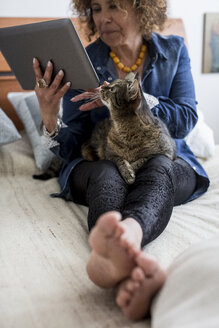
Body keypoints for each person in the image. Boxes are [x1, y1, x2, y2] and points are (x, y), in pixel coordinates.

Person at [33, 0, 210, 321]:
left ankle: (125, 238)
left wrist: (137, 98)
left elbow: (185, 119)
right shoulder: (85, 60)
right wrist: (49, 118)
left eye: (114, 6)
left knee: (159, 165)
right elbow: (74, 144)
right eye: (96, 8)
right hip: (103, 163)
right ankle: (119, 255)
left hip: (166, 160)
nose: (103, 18)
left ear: (143, 8)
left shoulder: (174, 50)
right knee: (106, 171)